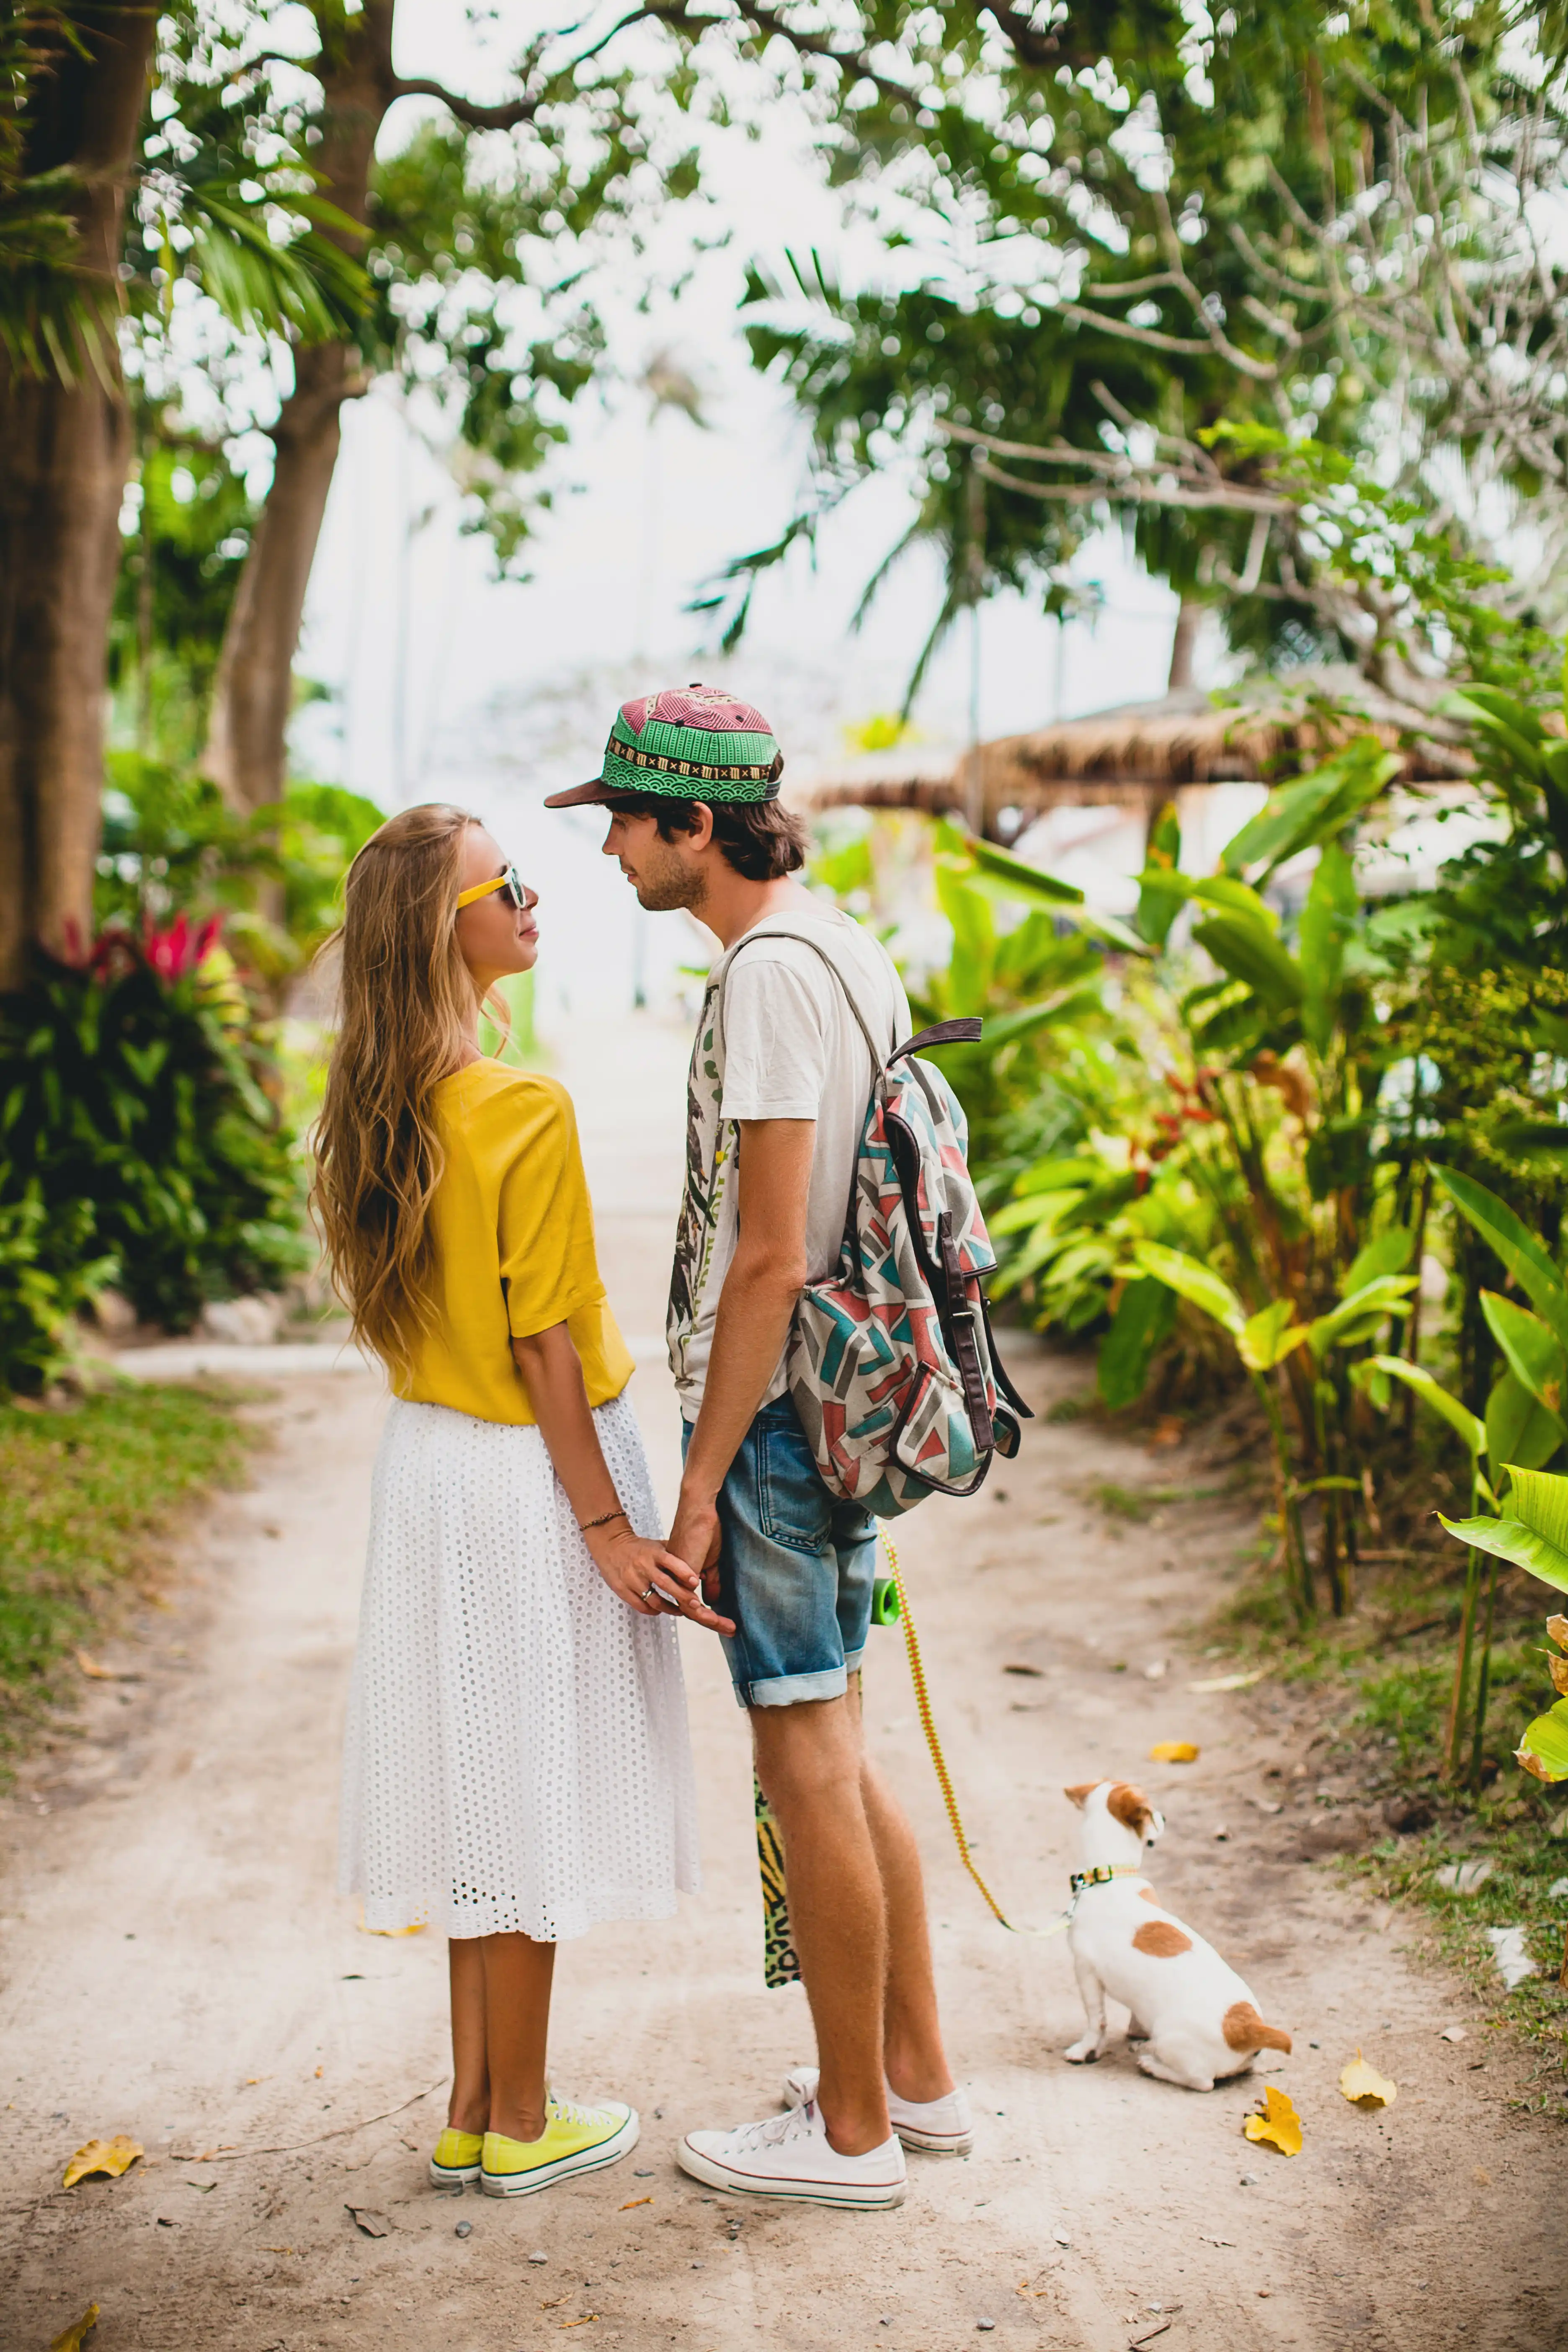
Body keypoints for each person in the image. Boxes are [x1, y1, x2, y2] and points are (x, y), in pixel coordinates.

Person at [544, 685, 971, 2211]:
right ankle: (913, 2084)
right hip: (829, 1410)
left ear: (696, 826)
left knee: (802, 1756)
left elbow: (769, 1258)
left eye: (621, 826)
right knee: (836, 1749)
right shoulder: (836, 939)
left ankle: (849, 2134)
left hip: (790, 1425)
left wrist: (702, 1481)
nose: (608, 857)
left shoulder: (773, 977)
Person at [314, 803, 730, 2202]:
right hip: (524, 1478)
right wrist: (609, 1520)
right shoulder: (516, 1103)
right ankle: (525, 2118)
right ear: (450, 931)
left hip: (431, 1469)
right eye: (508, 882)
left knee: (477, 1783)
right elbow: (547, 1338)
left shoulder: (379, 1107)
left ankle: (472, 2105)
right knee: (528, 1790)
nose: (534, 894)